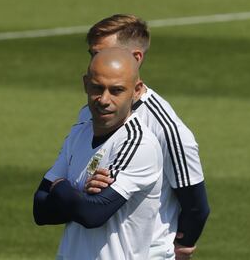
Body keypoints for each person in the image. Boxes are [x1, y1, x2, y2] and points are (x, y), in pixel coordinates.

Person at [79, 14, 210, 260]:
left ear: (135, 58)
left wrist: (182, 246)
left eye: (101, 53)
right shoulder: (91, 111)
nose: (96, 62)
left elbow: (196, 205)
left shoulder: (165, 127)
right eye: (92, 54)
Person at [33, 48, 163, 260]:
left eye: (116, 90)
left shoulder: (137, 143)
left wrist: (61, 187)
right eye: (97, 88)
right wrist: (80, 194)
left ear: (137, 90)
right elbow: (40, 210)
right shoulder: (79, 133)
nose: (103, 99)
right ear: (85, 84)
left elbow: (93, 214)